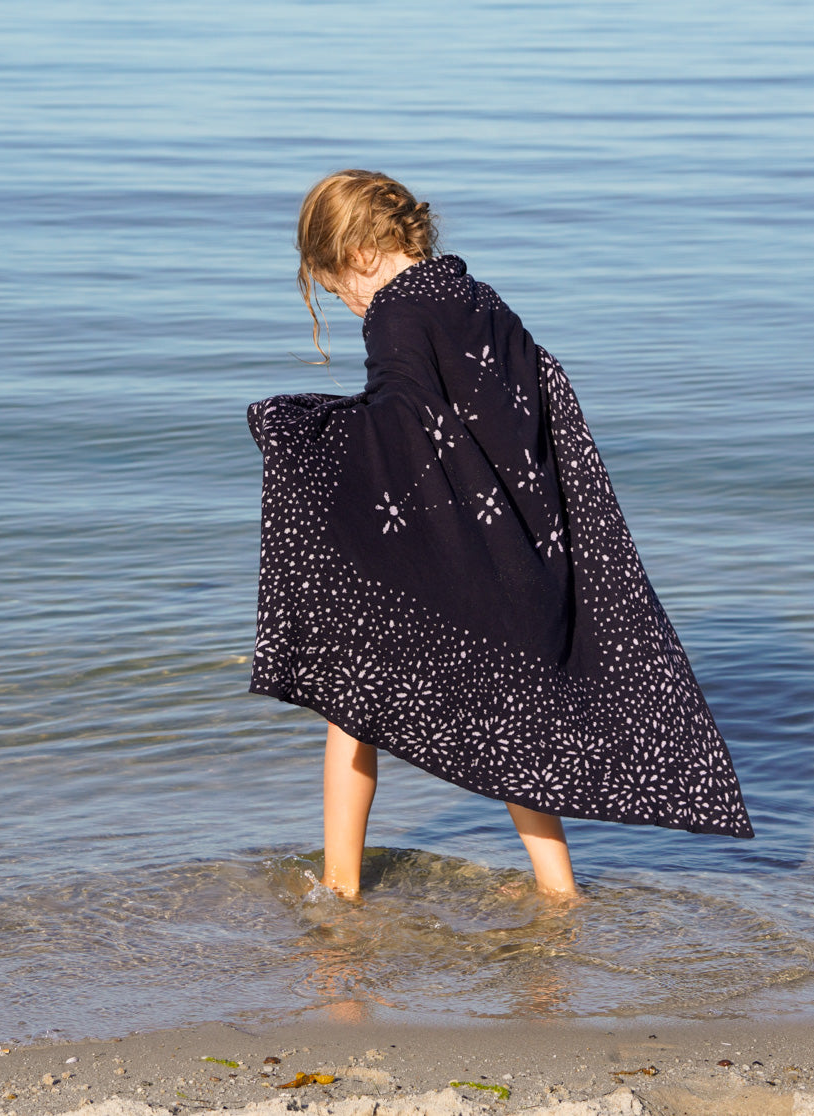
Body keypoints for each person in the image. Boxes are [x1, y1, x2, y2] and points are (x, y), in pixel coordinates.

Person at [247, 170, 752, 900]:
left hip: (466, 560)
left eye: (333, 287)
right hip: (521, 556)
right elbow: (539, 406)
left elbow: (403, 429)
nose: (346, 303)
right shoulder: (476, 297)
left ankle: (340, 890)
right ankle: (558, 889)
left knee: (350, 702)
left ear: (357, 252)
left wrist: (303, 432)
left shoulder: (395, 313)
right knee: (520, 731)